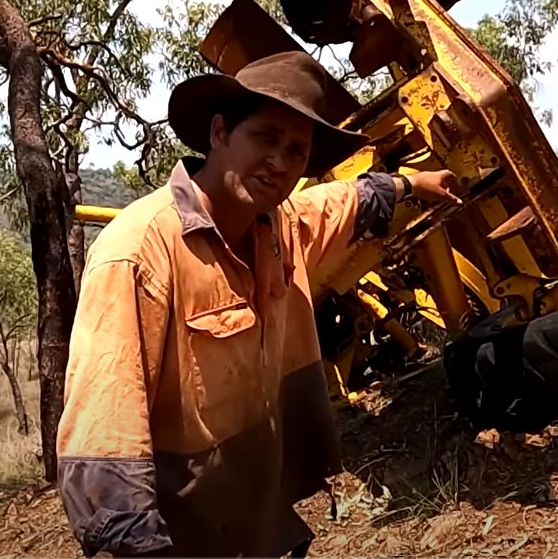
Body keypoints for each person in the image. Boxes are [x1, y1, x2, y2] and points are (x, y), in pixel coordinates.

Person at [56, 50, 462, 557]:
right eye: (265, 138)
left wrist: (411, 184)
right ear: (219, 132)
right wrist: (140, 545)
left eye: (297, 151)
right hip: (181, 540)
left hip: (256, 522)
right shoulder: (139, 252)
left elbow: (340, 203)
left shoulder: (278, 225)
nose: (280, 162)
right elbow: (104, 431)